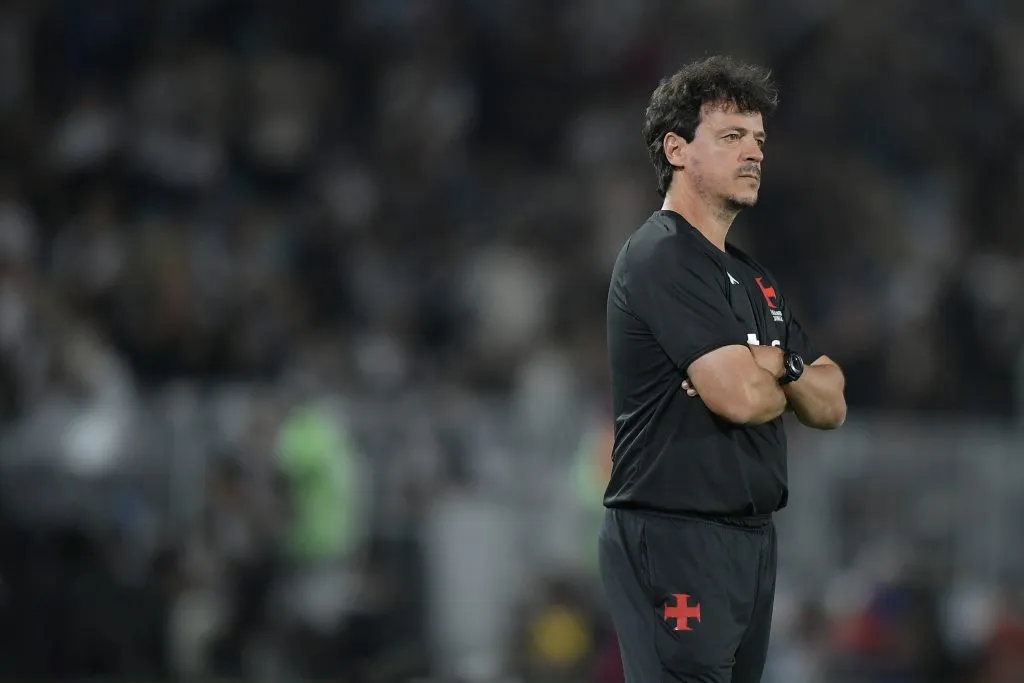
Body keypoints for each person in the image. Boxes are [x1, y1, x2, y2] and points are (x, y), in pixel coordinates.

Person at [599, 55, 848, 683]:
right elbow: (740, 397)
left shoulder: (752, 279)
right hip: (676, 536)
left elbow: (832, 403)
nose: (754, 152)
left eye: (759, 138)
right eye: (733, 136)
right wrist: (777, 377)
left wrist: (777, 363)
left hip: (750, 540)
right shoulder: (661, 256)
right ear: (677, 150)